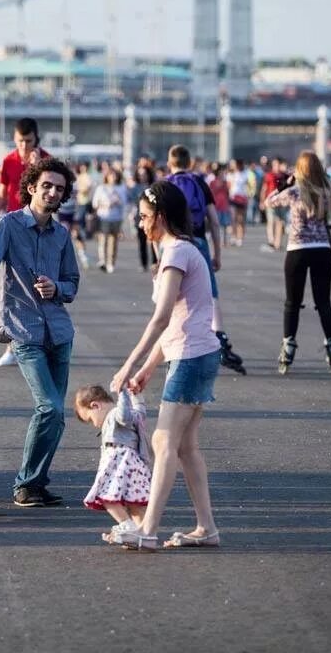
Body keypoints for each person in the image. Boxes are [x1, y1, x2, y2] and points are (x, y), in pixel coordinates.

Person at [0, 157, 80, 508]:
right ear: (31, 188)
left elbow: (72, 282)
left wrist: (56, 288)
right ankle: (25, 484)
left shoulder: (61, 235)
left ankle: (36, 484)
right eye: (47, 186)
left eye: (59, 188)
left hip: (58, 332)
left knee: (55, 417)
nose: (53, 192)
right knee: (50, 407)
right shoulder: (8, 225)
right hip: (23, 330)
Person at [110, 179, 222, 552]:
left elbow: (160, 319)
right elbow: (175, 322)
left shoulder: (176, 252)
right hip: (193, 353)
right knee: (186, 446)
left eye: (143, 217)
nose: (140, 224)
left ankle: (148, 530)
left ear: (160, 216)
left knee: (164, 440)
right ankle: (205, 527)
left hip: (192, 357)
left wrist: (129, 365)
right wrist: (148, 368)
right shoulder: (179, 251)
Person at [165, 145, 245, 375]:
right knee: (210, 294)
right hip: (198, 242)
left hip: (173, 244)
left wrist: (159, 257)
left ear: (170, 162)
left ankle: (176, 346)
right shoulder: (200, 182)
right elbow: (214, 221)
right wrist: (217, 254)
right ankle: (221, 340)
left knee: (173, 297)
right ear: (189, 162)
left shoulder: (165, 185)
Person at [0, 117, 51, 366]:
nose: (23, 147)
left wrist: (39, 167)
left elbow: (54, 197)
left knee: (40, 289)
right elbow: (1, 195)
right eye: (19, 141)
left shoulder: (47, 161)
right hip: (12, 228)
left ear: (36, 138)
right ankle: (12, 345)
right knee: (8, 288)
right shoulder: (8, 161)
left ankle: (40, 343)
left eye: (28, 141)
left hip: (40, 230)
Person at [265, 151, 331, 373]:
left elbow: (268, 202)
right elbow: (329, 223)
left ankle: (288, 348)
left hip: (297, 250)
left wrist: (284, 184)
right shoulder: (328, 193)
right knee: (324, 303)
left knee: (292, 303)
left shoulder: (293, 192)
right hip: (321, 250)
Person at [74, 384, 151, 545]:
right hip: (133, 465)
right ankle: (144, 534)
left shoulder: (116, 414)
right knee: (133, 502)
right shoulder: (133, 414)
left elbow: (124, 416)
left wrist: (122, 392)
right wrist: (136, 396)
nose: (94, 424)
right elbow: (141, 411)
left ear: (95, 406)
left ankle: (127, 526)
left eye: (90, 419)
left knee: (106, 497)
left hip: (122, 462)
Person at [91, 168, 126, 273]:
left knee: (113, 241)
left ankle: (111, 263)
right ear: (107, 176)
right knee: (103, 239)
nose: (113, 177)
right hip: (103, 217)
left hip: (116, 218)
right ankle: (103, 261)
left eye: (115, 175)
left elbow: (124, 202)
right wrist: (105, 204)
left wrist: (117, 200)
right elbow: (95, 203)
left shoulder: (121, 188)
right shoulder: (101, 188)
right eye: (111, 175)